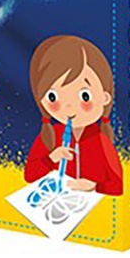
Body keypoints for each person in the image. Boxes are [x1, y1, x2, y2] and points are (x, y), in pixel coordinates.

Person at [24, 35, 123, 195]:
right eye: (52, 97)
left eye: (85, 96)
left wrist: (94, 186)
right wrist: (51, 159)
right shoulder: (51, 136)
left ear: (105, 97)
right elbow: (29, 175)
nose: (69, 107)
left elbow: (117, 186)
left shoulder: (101, 141)